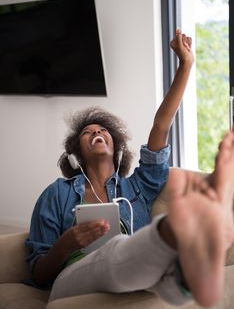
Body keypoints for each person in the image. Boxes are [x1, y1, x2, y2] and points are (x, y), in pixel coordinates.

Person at [24, 29, 234, 307]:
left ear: (118, 147)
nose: (96, 132)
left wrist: (186, 65)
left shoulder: (137, 187)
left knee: (140, 261)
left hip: (136, 271)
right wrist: (67, 244)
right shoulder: (56, 194)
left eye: (103, 130)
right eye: (88, 133)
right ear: (75, 154)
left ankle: (181, 270)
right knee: (114, 254)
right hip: (72, 279)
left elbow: (161, 125)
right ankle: (178, 234)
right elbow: (39, 274)